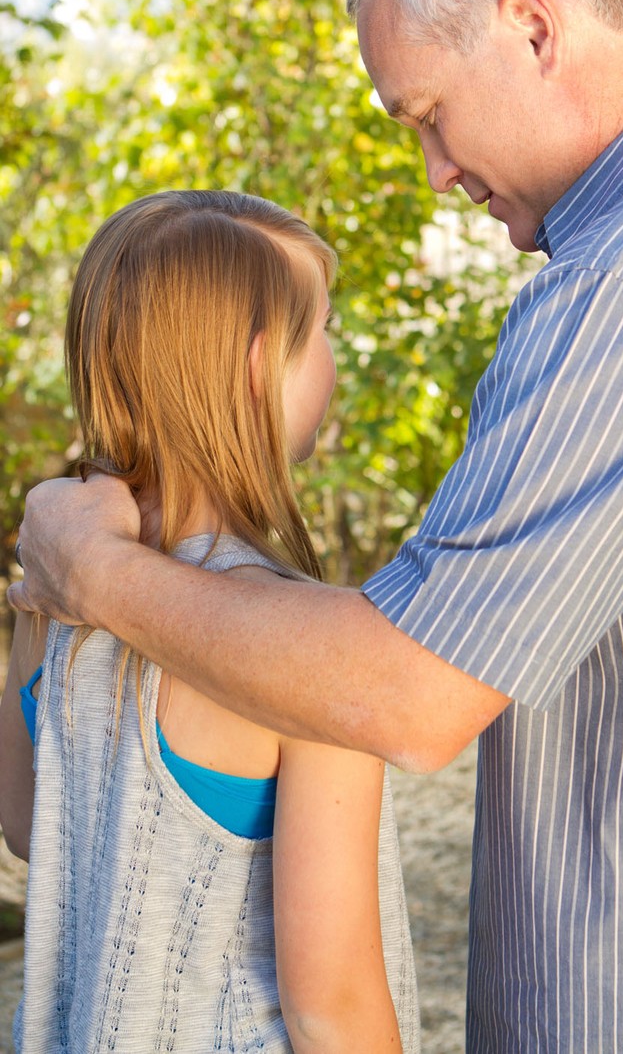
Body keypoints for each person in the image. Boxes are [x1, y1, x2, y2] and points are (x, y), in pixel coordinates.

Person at [10, 0, 623, 1051]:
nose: (437, 171)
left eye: (428, 115)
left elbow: (406, 697)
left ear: (531, 25)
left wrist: (92, 576)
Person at [0, 190, 419, 1053]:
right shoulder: (310, 647)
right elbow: (330, 1007)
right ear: (261, 367)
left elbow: (27, 825)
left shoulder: (57, 580)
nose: (334, 356)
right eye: (326, 329)